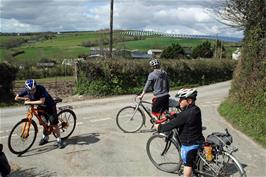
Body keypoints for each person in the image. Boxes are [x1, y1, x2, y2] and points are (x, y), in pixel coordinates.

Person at [155, 88, 205, 177]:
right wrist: (176, 115)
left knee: (187, 164)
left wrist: (160, 127)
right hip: (199, 140)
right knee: (193, 158)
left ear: (189, 101)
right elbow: (184, 118)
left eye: (182, 99)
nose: (179, 101)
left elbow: (172, 124)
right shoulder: (196, 109)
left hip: (189, 143)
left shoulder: (184, 115)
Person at [15, 79, 65, 149]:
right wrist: (24, 98)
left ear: (36, 86)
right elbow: (16, 98)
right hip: (40, 107)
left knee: (54, 124)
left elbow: (42, 101)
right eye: (30, 90)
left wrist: (29, 102)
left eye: (33, 89)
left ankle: (59, 140)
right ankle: (45, 137)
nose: (32, 91)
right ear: (27, 89)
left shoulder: (40, 88)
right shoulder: (26, 90)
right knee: (44, 123)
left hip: (49, 106)